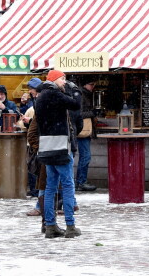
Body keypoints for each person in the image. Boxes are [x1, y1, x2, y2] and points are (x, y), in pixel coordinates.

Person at [35, 69, 82, 238]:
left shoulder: (40, 97)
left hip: (47, 147)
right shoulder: (54, 94)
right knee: (68, 185)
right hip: (61, 147)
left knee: (50, 188)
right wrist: (75, 90)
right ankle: (70, 226)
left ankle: (50, 225)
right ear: (54, 80)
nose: (64, 82)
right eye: (63, 79)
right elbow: (75, 104)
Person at [75, 76, 97, 192]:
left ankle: (80, 181)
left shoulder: (82, 94)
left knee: (84, 156)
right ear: (85, 85)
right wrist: (92, 113)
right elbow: (80, 114)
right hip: (83, 130)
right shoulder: (82, 95)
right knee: (85, 156)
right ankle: (81, 181)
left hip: (83, 130)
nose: (93, 87)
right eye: (91, 84)